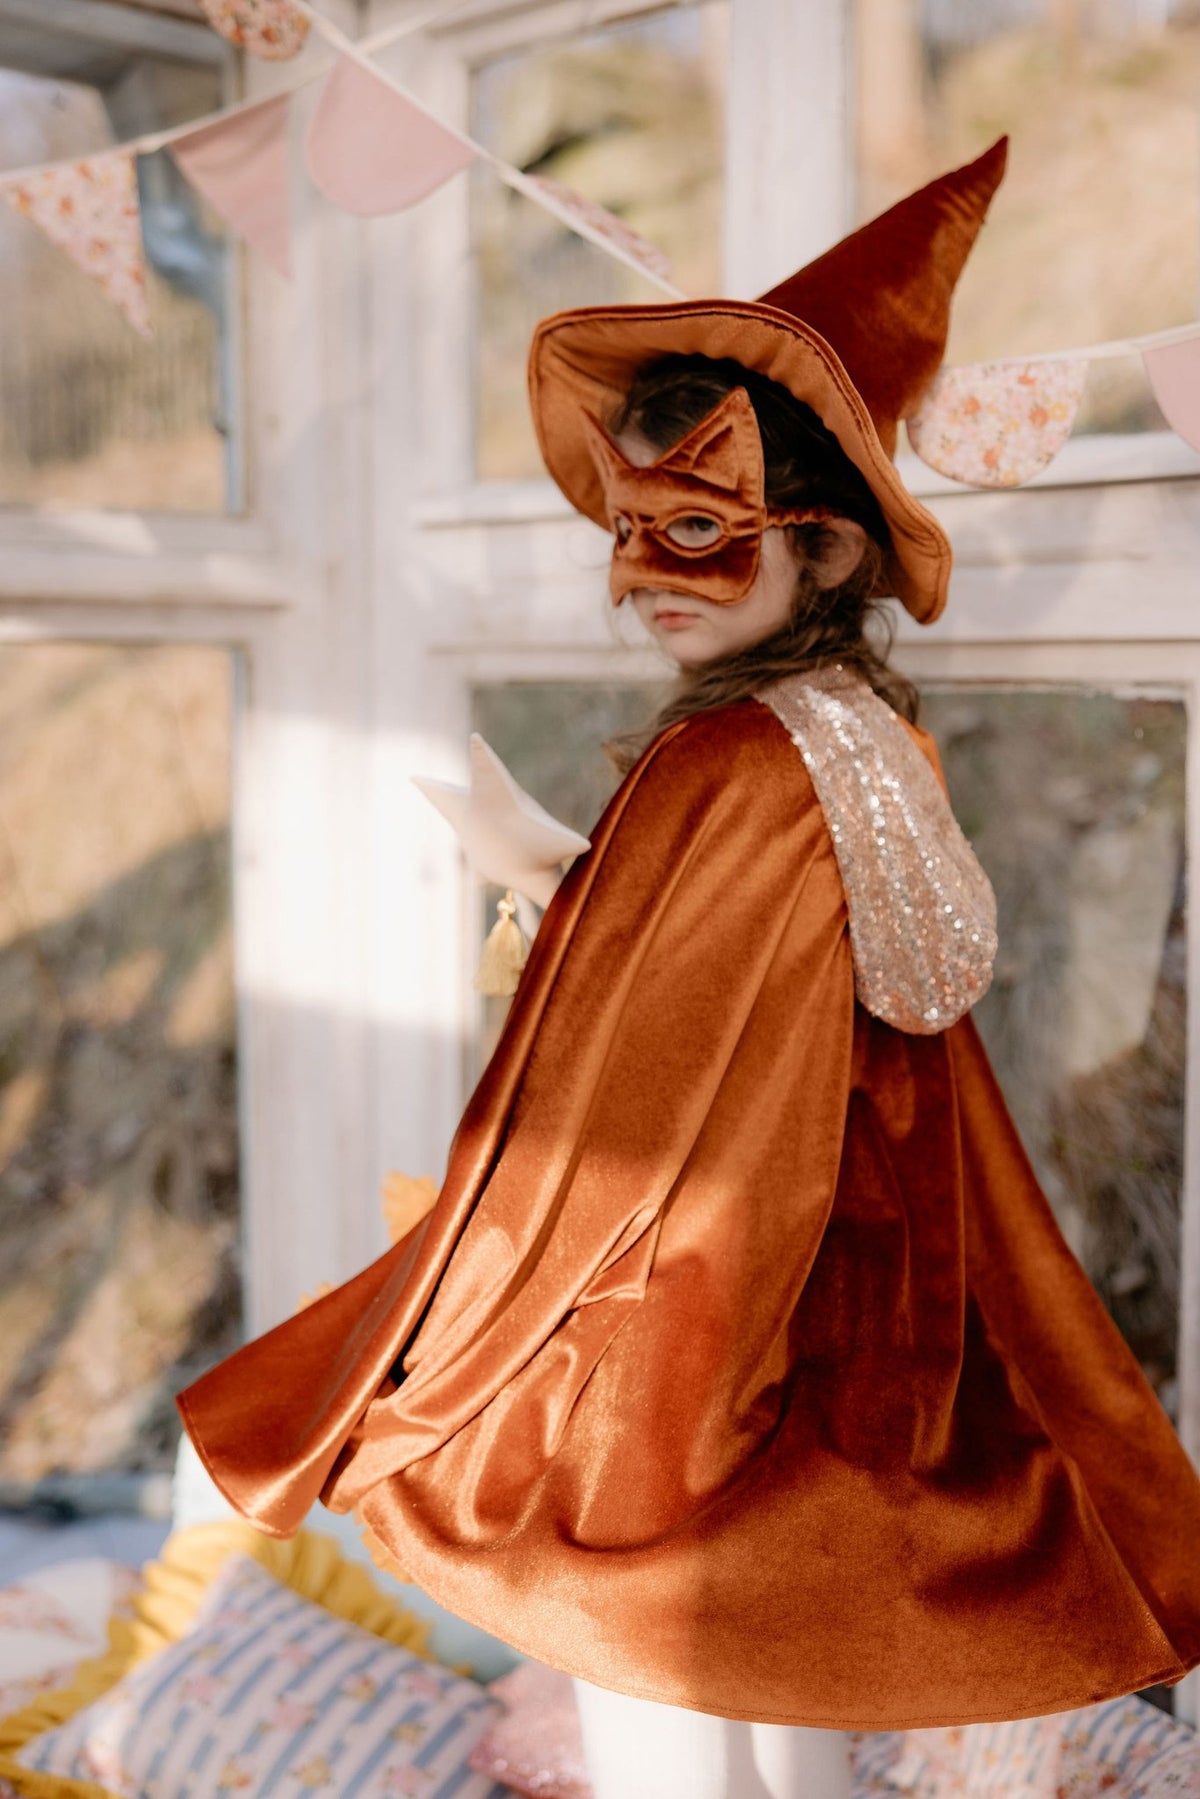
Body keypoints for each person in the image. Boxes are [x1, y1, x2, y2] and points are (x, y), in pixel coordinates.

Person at [178, 138, 1200, 1799]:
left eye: (702, 531)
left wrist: (471, 1314)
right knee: (769, 1699)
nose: (647, 574)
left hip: (687, 1337)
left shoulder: (737, 756)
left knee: (657, 1683)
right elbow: (827, 989)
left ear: (830, 553)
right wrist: (561, 878)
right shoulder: (850, 733)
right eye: (632, 529)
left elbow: (641, 1087)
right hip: (830, 1321)